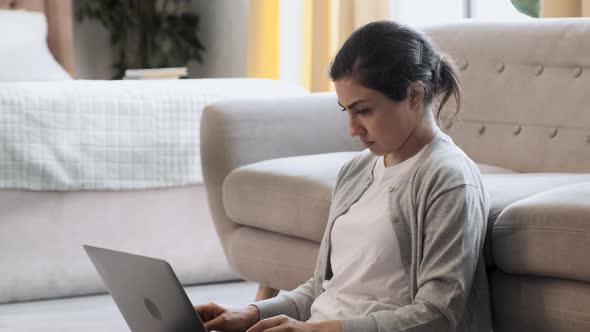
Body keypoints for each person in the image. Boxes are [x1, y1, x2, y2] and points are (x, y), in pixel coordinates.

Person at [195, 20, 492, 332]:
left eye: (363, 110)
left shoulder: (448, 179)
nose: (353, 129)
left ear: (414, 94)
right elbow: (323, 289)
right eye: (345, 111)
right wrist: (251, 313)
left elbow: (437, 315)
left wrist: (314, 330)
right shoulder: (357, 170)